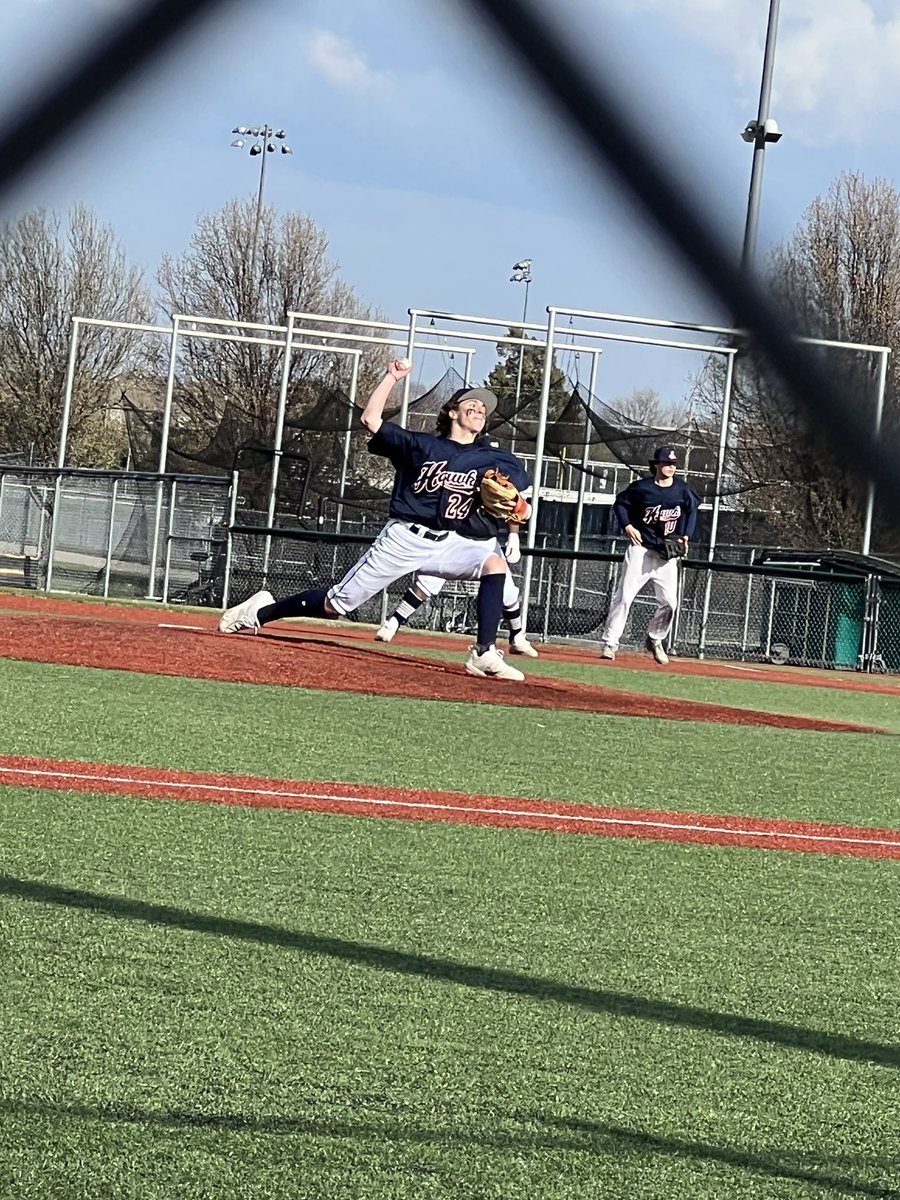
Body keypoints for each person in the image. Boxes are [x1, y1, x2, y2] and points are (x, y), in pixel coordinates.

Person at [218, 360, 532, 681]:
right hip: (405, 538)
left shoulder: (497, 459)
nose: (480, 409)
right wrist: (391, 377)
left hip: (450, 541)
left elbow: (523, 501)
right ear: (453, 412)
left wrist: (520, 514)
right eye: (472, 403)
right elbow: (370, 420)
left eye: (484, 408)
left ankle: (483, 652)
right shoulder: (421, 445)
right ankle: (258, 611)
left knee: (494, 564)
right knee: (336, 606)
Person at [374, 430, 538, 657]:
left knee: (508, 590)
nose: (494, 473)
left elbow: (519, 510)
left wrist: (514, 536)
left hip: (487, 543)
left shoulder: (506, 484)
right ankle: (393, 622)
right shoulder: (463, 474)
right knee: (426, 583)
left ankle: (517, 636)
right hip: (455, 538)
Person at [599, 445, 699, 665]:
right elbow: (620, 504)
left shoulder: (682, 490)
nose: (670, 467)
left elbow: (693, 509)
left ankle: (655, 638)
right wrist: (627, 526)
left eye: (673, 464)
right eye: (666, 463)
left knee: (670, 603)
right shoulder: (642, 488)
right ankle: (610, 643)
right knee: (624, 597)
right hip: (641, 549)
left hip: (666, 554)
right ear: (656, 465)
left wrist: (686, 535)